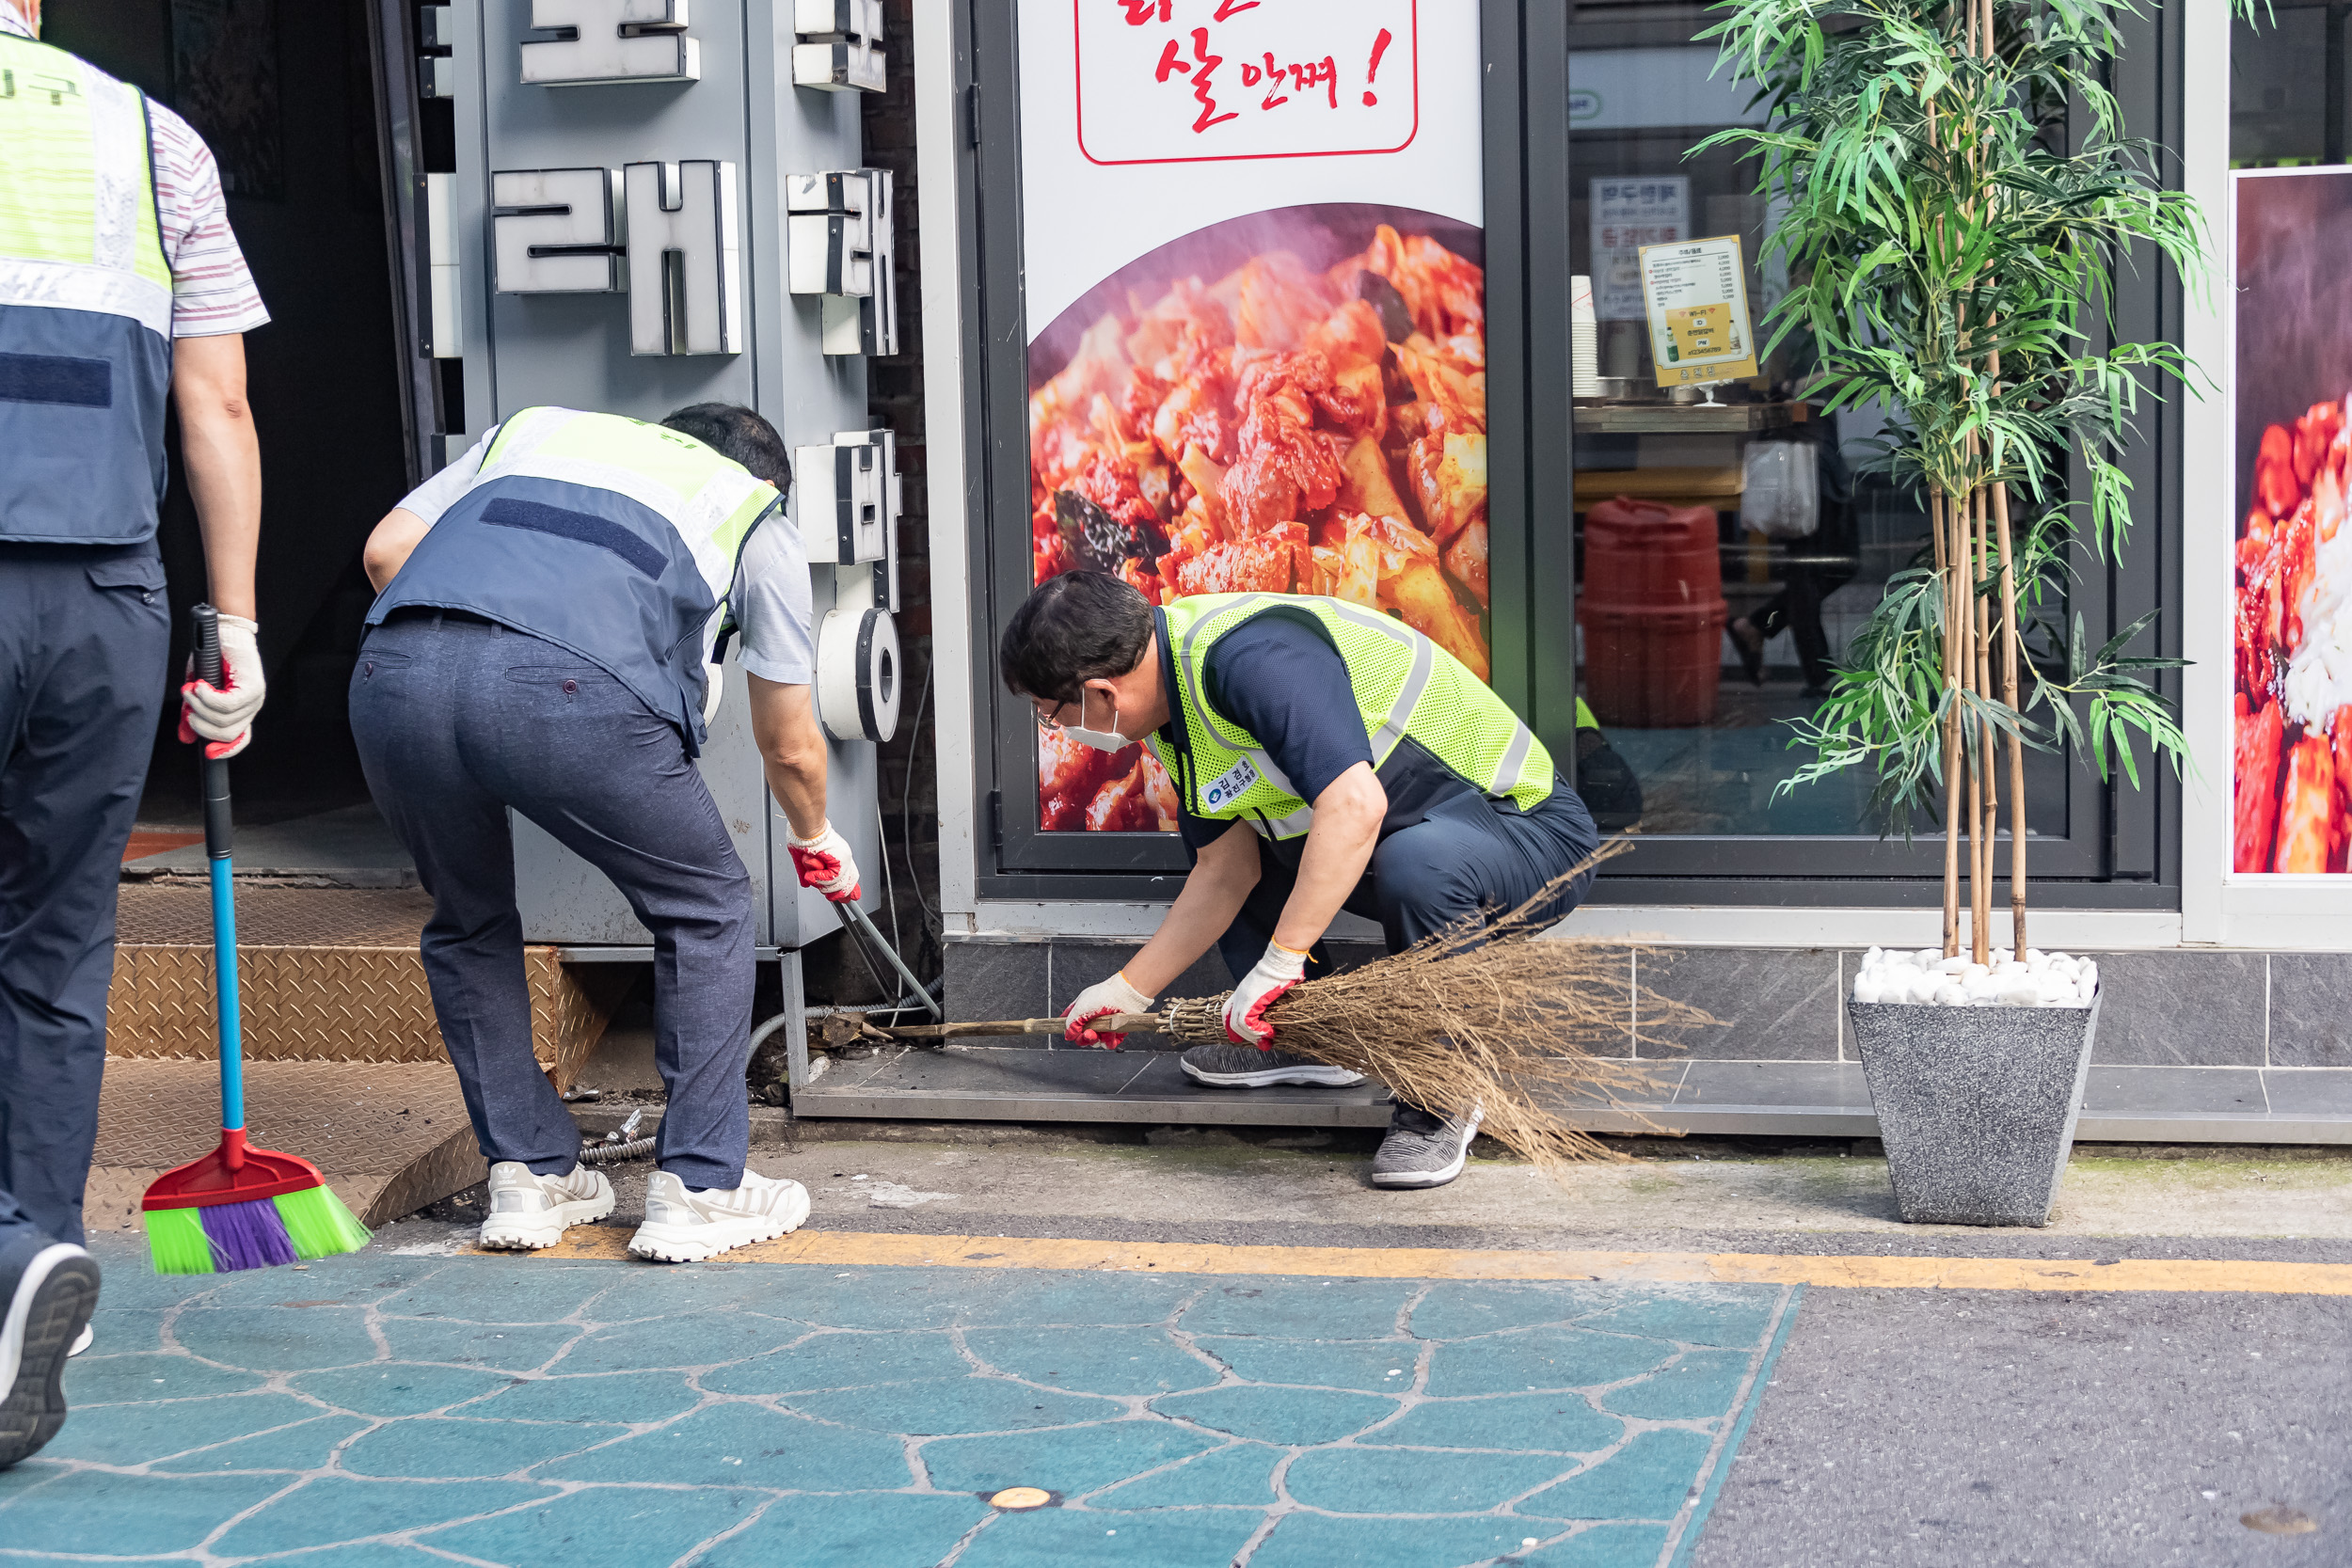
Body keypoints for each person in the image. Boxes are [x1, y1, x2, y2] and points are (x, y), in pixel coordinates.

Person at [352, 403, 860, 1263]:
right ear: (767, 478)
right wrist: (817, 835)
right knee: (707, 905)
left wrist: (466, 657)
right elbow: (790, 741)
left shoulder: (537, 432)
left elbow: (384, 554)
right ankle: (700, 1183)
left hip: (394, 673)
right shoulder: (753, 514)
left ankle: (527, 1172)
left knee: (469, 916)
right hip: (569, 692)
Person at [0, 0, 268, 1467]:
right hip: (104, 590)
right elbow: (214, 398)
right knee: (52, 947)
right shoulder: (151, 131)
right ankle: (38, 1252)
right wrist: (232, 627)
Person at [1003, 573, 1600, 1191]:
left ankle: (1446, 1087)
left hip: (1529, 833)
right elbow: (1226, 872)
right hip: (1413, 836)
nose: (1055, 730)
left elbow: (1356, 805)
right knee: (1229, 834)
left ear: (1102, 692)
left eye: (1051, 714)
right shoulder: (1169, 712)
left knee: (1415, 862)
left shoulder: (1252, 657)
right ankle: (1306, 1040)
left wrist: (1280, 960)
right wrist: (1129, 988)